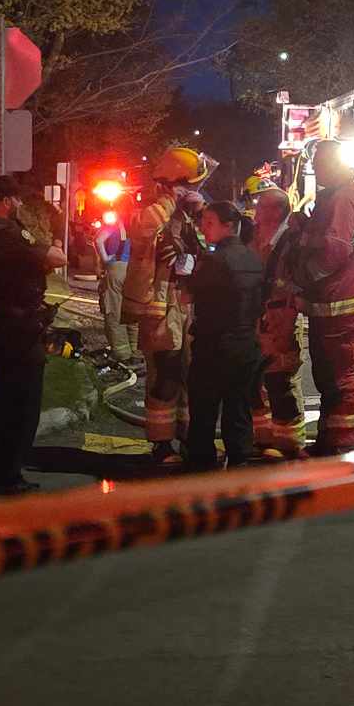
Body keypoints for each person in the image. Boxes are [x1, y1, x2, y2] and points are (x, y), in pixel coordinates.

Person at [0, 175, 67, 494]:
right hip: (21, 329)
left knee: (1, 402)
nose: (21, 203)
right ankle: (7, 476)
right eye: (17, 199)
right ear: (6, 201)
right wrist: (56, 246)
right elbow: (57, 258)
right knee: (22, 406)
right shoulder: (9, 234)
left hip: (2, 323)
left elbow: (22, 267)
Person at [121, 145, 209, 464]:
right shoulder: (150, 211)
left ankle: (186, 437)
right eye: (191, 185)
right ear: (174, 184)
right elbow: (143, 230)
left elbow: (210, 246)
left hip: (188, 304)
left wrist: (199, 214)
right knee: (165, 376)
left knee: (191, 374)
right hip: (160, 307)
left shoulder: (190, 215)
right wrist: (169, 201)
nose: (196, 190)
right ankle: (161, 444)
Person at [295, 143, 354, 454]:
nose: (316, 171)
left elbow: (335, 250)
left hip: (338, 303)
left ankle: (343, 443)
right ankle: (330, 440)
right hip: (332, 304)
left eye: (319, 164)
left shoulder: (342, 198)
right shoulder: (341, 195)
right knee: (328, 377)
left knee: (338, 378)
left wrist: (302, 278)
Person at [183, 199, 266, 470]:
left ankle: (201, 463)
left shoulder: (214, 260)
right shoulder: (253, 258)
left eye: (209, 223)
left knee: (204, 407)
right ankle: (239, 460)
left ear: (228, 226)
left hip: (214, 345)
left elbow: (187, 295)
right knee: (238, 406)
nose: (203, 228)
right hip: (246, 345)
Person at [248, 177, 308, 456]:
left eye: (261, 207)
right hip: (258, 320)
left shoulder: (290, 242)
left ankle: (290, 445)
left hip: (280, 320)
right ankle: (262, 439)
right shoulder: (258, 237)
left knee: (281, 381)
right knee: (255, 381)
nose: (256, 212)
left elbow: (294, 281)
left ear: (276, 211)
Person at [93, 212, 134, 364]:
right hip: (134, 271)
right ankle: (136, 353)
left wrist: (105, 259)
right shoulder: (135, 226)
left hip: (116, 268)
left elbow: (98, 240)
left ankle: (122, 355)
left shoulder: (113, 225)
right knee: (132, 313)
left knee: (113, 312)